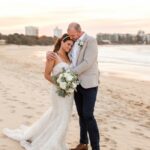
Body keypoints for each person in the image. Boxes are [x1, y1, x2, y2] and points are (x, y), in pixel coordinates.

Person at [2, 34, 74, 150]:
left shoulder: (70, 57)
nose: (69, 47)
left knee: (61, 116)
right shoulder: (53, 56)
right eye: (68, 44)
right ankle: (54, 143)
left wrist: (69, 85)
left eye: (71, 45)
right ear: (62, 42)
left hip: (69, 95)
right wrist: (60, 84)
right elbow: (46, 75)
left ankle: (57, 140)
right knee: (60, 115)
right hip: (58, 92)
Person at [47, 23, 100, 150]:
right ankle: (83, 143)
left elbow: (87, 62)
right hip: (75, 85)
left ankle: (96, 147)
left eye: (72, 35)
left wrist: (70, 74)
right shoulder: (74, 43)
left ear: (79, 31)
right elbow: (64, 55)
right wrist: (50, 54)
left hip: (89, 84)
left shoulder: (90, 41)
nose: (71, 37)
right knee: (81, 115)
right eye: (69, 35)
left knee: (88, 115)